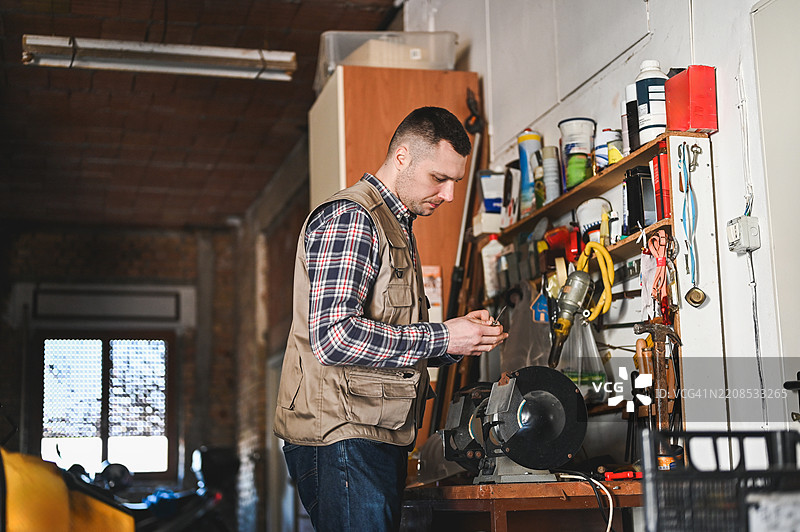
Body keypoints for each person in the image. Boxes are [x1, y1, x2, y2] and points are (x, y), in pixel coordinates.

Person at [274, 106, 507, 531]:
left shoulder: (395, 225)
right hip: (345, 434)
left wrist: (460, 338)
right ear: (402, 158)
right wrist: (442, 338)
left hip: (371, 430)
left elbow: (387, 338)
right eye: (440, 178)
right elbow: (334, 338)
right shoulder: (353, 218)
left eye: (456, 181)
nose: (450, 195)